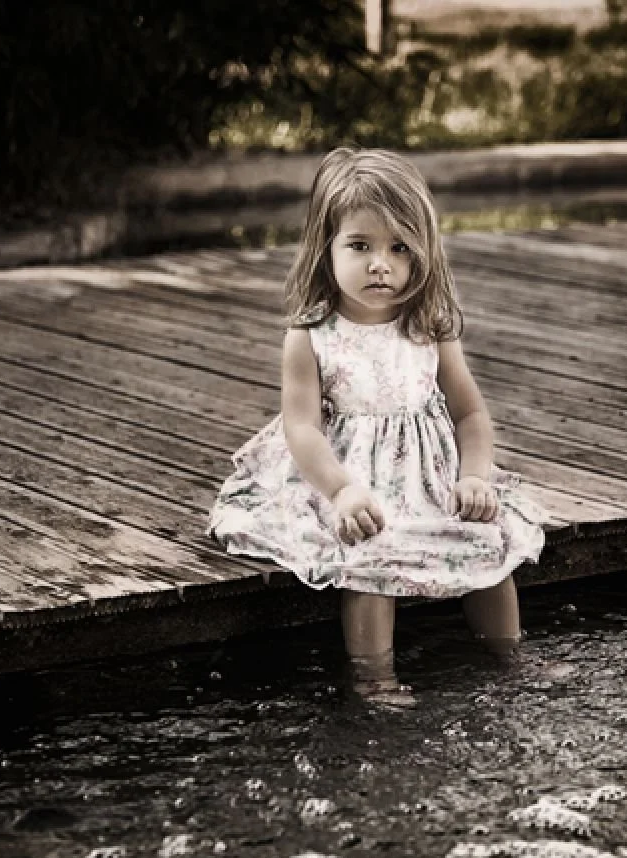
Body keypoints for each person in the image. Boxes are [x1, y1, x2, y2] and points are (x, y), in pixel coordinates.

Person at [208, 147, 547, 705]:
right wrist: (341, 491)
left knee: (490, 543)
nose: (380, 264)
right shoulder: (311, 336)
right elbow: (303, 431)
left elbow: (471, 414)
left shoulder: (429, 327)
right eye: (360, 246)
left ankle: (509, 658)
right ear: (327, 249)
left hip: (428, 476)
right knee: (369, 555)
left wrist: (476, 477)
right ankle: (373, 677)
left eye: (399, 248)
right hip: (346, 477)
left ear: (422, 254)